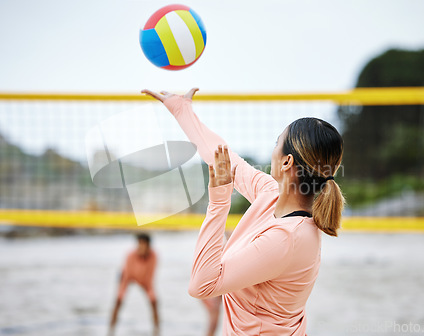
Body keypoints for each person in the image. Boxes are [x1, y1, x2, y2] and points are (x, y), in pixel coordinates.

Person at [142, 88, 344, 335]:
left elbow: (201, 285)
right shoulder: (271, 194)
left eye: (276, 143)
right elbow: (223, 158)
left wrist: (218, 203)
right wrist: (181, 109)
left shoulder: (287, 238)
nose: (273, 149)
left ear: (287, 162)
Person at [108, 233, 159, 336]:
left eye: (143, 244)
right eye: (139, 244)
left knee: (154, 301)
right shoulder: (131, 255)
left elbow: (150, 275)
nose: (141, 246)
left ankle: (156, 331)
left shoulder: (153, 256)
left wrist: (145, 287)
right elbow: (126, 273)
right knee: (118, 301)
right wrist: (121, 291)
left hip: (145, 279)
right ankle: (111, 331)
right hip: (128, 276)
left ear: (148, 245)